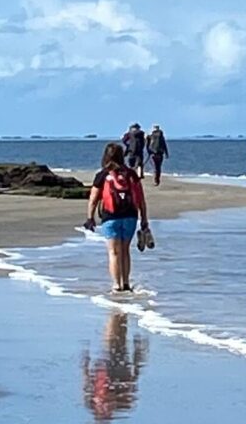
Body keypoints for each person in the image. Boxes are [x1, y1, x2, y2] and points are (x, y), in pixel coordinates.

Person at [85, 143, 149, 292]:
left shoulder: (102, 175)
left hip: (110, 217)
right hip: (130, 217)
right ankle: (126, 283)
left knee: (114, 252)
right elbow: (140, 199)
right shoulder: (131, 174)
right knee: (125, 251)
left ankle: (116, 285)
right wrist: (144, 219)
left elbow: (93, 199)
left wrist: (90, 218)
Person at [82, 311, 148, 421]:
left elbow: (87, 384)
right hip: (117, 368)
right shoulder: (124, 404)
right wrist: (138, 357)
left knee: (116, 339)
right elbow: (133, 381)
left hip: (108, 367)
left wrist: (85, 366)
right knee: (116, 339)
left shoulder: (91, 403)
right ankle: (120, 307)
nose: (107, 408)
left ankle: (120, 307)